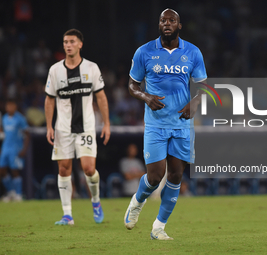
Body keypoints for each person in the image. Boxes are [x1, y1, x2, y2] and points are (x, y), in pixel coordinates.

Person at [124, 9, 207, 240]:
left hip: (181, 124)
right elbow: (132, 85)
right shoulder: (144, 52)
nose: (167, 23)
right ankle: (138, 201)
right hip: (156, 124)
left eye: (172, 20)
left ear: (179, 25)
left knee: (176, 176)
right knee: (155, 176)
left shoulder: (193, 52)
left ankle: (158, 227)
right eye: (163, 20)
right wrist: (146, 97)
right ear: (159, 25)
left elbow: (202, 86)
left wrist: (195, 101)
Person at [44, 29, 110, 225]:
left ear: (80, 44)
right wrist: (49, 126)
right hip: (63, 128)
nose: (68, 45)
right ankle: (67, 215)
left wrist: (106, 123)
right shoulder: (55, 70)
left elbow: (101, 97)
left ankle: (96, 201)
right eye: (65, 42)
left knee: (89, 169)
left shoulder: (91, 68)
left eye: (72, 41)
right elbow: (49, 100)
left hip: (86, 127)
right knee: (64, 169)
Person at [0, 99, 30, 202]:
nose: (9, 108)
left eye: (11, 106)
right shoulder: (4, 118)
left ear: (15, 106)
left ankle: (18, 194)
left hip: (15, 148)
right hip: (5, 148)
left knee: (14, 170)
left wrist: (24, 148)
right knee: (2, 170)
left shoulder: (20, 118)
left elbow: (27, 134)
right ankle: (11, 192)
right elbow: (3, 132)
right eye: (7, 106)